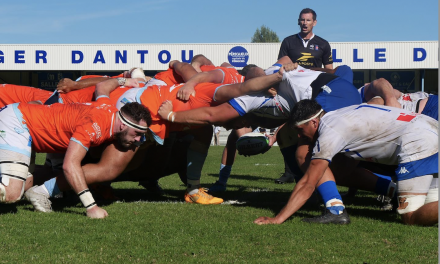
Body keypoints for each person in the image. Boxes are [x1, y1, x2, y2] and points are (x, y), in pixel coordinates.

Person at [254, 99, 438, 226]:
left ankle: (336, 210)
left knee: (411, 217)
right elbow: (344, 169)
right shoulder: (338, 115)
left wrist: (277, 219)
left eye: (301, 130)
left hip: (417, 141)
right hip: (429, 127)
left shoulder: (331, 129)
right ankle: (390, 190)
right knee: (431, 208)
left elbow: (309, 182)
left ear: (314, 123)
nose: (300, 136)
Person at [2, 77, 151, 219]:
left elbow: (103, 87)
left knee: (24, 187)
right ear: (123, 125)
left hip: (27, 125)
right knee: (12, 195)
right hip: (19, 122)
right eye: (137, 133)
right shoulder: (95, 126)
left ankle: (37, 192)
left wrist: (124, 81)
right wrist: (91, 206)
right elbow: (70, 165)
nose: (139, 139)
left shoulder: (109, 110)